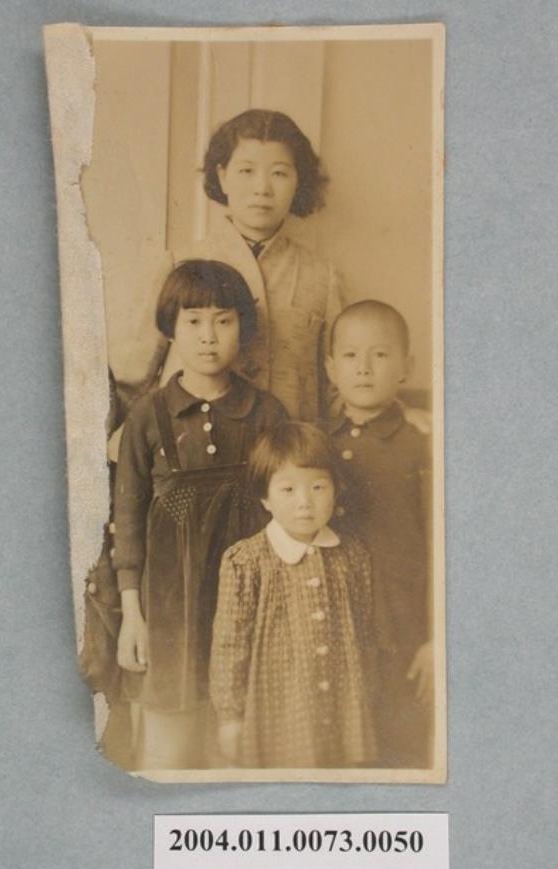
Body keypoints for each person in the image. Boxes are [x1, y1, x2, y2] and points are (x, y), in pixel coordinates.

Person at [113, 260, 287, 769]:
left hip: (251, 602)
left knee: (244, 745)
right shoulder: (147, 417)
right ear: (171, 328)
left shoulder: (267, 414)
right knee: (169, 750)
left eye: (223, 321)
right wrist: (133, 617)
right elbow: (128, 522)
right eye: (193, 321)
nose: (208, 336)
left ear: (243, 328)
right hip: (169, 609)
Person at [110, 108, 343, 430]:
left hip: (286, 451)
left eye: (279, 173)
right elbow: (131, 379)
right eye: (246, 171)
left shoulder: (322, 277)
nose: (262, 188)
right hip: (190, 447)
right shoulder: (180, 262)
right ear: (222, 177)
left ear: (298, 181)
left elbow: (339, 389)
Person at [209, 422, 377, 769]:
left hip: (343, 707)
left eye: (318, 487)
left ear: (336, 490)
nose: (305, 502)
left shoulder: (353, 554)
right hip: (278, 710)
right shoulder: (246, 561)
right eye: (288, 490)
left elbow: (364, 632)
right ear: (265, 498)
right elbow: (229, 644)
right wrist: (230, 717)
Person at [323, 299, 433, 767]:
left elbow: (446, 550)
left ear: (407, 367)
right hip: (335, 629)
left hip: (403, 630)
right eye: (350, 355)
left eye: (380, 354)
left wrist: (437, 637)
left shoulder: (423, 443)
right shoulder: (318, 442)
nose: (364, 368)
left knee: (399, 748)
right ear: (331, 368)